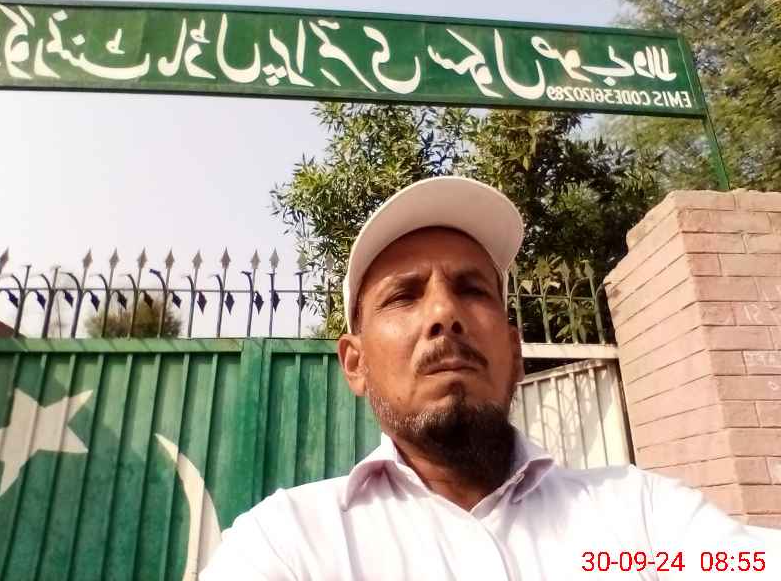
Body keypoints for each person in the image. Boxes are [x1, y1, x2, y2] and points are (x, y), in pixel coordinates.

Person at [202, 176, 778, 580]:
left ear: (514, 351)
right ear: (355, 363)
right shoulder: (290, 543)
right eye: (404, 296)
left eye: (472, 289)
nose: (443, 314)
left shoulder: (643, 519)